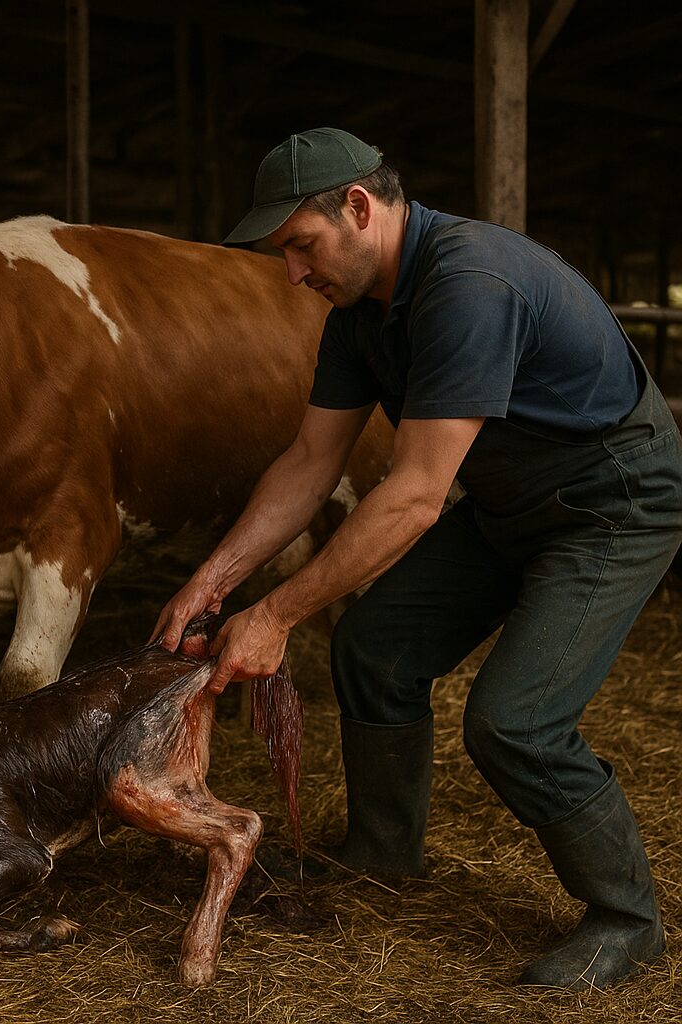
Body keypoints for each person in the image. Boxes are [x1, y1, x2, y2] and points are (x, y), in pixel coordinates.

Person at [151, 127, 682, 990]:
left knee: (516, 722)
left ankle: (629, 918)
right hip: (513, 502)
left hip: (610, 502)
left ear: (358, 208)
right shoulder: (357, 319)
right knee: (373, 648)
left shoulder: (469, 282)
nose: (292, 272)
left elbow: (415, 496)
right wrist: (213, 582)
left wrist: (278, 613)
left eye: (299, 245)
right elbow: (308, 463)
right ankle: (384, 851)